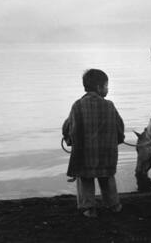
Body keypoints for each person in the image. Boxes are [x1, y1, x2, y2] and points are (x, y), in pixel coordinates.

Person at [65, 69, 125, 217]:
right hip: (107, 155)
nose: (107, 89)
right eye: (106, 86)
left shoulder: (77, 106)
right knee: (107, 179)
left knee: (85, 179)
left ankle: (89, 208)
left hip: (85, 157)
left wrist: (68, 139)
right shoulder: (110, 106)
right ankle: (114, 205)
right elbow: (120, 128)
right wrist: (118, 139)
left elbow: (69, 128)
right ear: (99, 88)